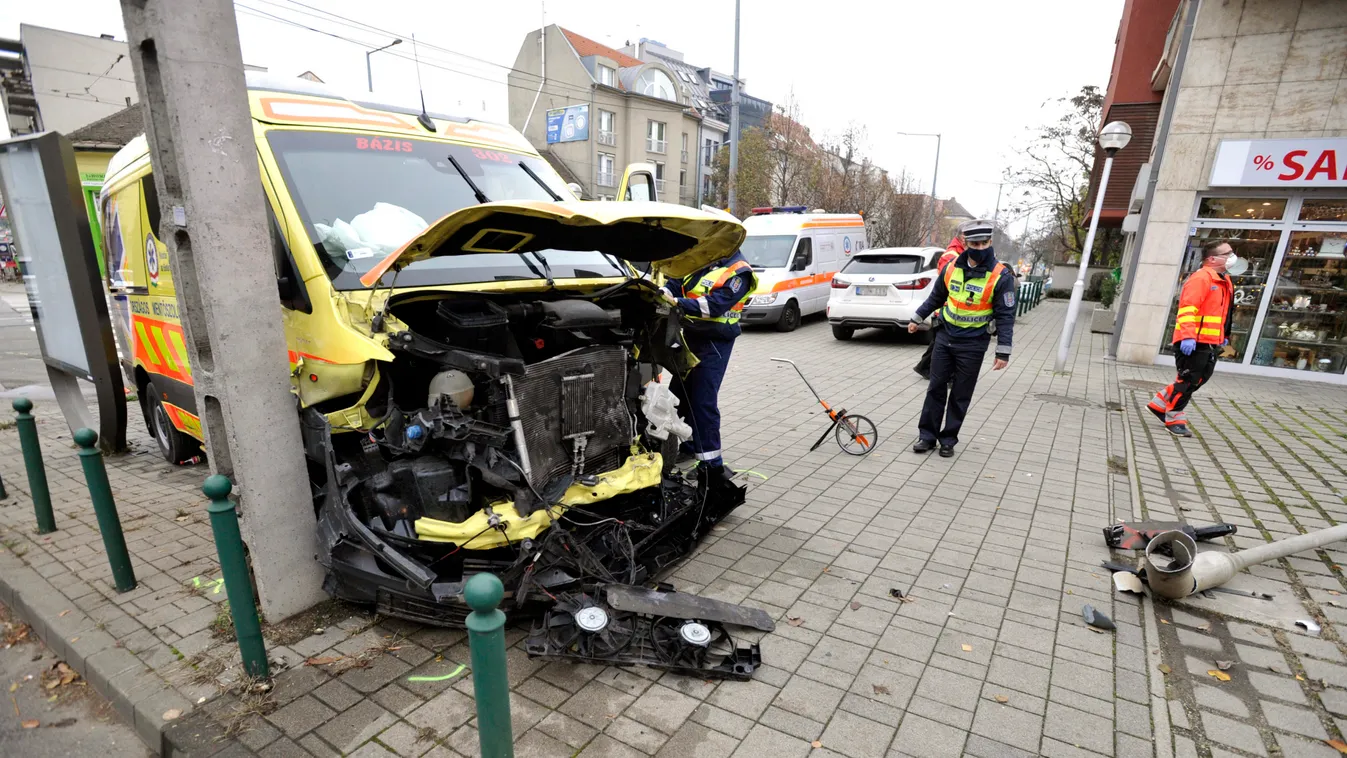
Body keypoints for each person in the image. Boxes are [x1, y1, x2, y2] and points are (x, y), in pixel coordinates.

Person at [907, 219, 1014, 457]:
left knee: (960, 394)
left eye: (984, 243)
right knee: (935, 389)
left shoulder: (1001, 275)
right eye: (975, 244)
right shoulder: (951, 267)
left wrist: (1003, 351)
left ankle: (948, 440)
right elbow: (936, 297)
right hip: (945, 338)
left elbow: (1006, 316)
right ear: (965, 243)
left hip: (974, 344)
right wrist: (917, 318)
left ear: (990, 242)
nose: (979, 248)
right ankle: (927, 437)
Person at [662, 248, 758, 484]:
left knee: (703, 402)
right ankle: (689, 445)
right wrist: (662, 294)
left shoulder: (739, 272)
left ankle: (711, 464)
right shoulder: (701, 260)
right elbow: (675, 283)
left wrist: (677, 303)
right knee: (678, 396)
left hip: (715, 343)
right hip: (691, 337)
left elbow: (714, 306)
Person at [1147, 241, 1239, 437]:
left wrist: (1223, 335)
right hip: (1194, 341)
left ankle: (1159, 404)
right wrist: (1188, 337)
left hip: (1210, 341)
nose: (1232, 256)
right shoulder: (1201, 279)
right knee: (1188, 380)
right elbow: (1187, 310)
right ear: (1212, 259)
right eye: (1228, 253)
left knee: (1198, 378)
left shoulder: (1224, 281)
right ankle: (1174, 418)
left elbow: (1225, 313)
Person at [914, 230, 968, 380]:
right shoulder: (952, 256)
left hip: (948, 306)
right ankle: (932, 370)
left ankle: (924, 367)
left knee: (938, 342)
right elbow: (948, 283)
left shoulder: (959, 253)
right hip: (946, 307)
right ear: (961, 238)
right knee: (941, 342)